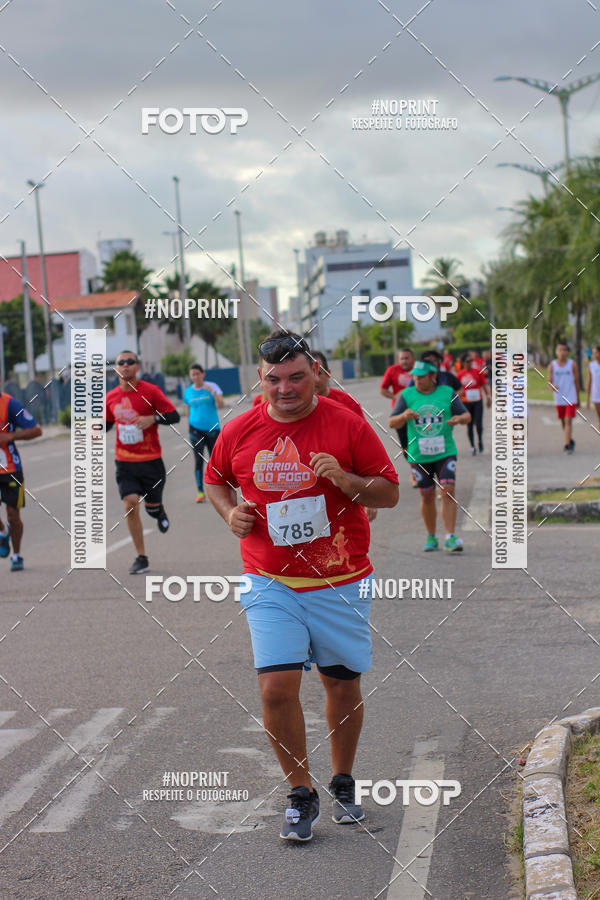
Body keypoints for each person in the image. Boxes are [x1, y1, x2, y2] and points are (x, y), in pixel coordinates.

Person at [205, 330, 399, 842]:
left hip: (340, 579)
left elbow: (389, 491)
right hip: (269, 580)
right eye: (274, 379)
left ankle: (342, 778)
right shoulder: (240, 429)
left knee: (341, 684)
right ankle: (300, 793)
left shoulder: (346, 424)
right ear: (260, 379)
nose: (285, 388)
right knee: (275, 689)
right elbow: (214, 478)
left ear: (315, 372)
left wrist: (346, 480)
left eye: (296, 377)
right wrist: (230, 513)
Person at [105, 351, 180, 575]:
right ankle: (141, 556)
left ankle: (159, 511)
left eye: (130, 362)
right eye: (121, 362)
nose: (125, 365)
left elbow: (174, 415)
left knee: (152, 509)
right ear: (116, 368)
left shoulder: (151, 392)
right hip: (125, 462)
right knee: (129, 502)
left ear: (138, 367)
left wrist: (153, 418)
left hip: (151, 462)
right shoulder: (111, 397)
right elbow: (107, 424)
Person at [389, 359, 470, 552]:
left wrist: (459, 418)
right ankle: (431, 536)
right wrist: (403, 417)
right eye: (415, 376)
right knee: (426, 495)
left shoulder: (447, 393)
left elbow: (466, 416)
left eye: (421, 376)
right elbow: (392, 422)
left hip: (445, 452)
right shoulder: (406, 395)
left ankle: (450, 536)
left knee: (448, 489)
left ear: (433, 376)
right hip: (419, 455)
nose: (416, 379)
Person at [313, 351, 377, 522]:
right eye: (309, 373)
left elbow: (364, 452)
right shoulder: (289, 408)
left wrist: (368, 496)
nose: (315, 379)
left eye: (319, 372)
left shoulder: (348, 404)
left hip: (344, 488)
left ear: (328, 374)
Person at [0, 392, 42, 571]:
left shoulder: (9, 403)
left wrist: (10, 437)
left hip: (10, 469)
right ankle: (3, 532)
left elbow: (36, 430)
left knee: (13, 515)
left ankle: (16, 555)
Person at [183, 364, 224, 502]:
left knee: (215, 460)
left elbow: (221, 404)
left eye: (197, 374)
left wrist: (212, 391)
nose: (195, 377)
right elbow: (188, 409)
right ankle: (200, 492)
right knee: (198, 461)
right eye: (193, 374)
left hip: (212, 430)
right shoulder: (188, 391)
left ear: (203, 374)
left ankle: (219, 489)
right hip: (195, 430)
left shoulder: (212, 386)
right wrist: (189, 425)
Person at [548, 341, 580, 453]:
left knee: (568, 421)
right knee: (563, 422)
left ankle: (567, 446)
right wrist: (553, 386)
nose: (562, 352)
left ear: (567, 352)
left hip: (571, 397)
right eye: (560, 350)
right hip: (559, 399)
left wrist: (578, 399)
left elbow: (576, 382)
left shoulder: (572, 364)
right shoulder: (553, 365)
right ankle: (569, 440)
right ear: (556, 352)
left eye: (564, 350)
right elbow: (549, 382)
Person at [458, 351, 491, 454]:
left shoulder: (478, 371)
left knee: (479, 423)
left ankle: (480, 441)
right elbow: (456, 391)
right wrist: (459, 394)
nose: (470, 363)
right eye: (468, 361)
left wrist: (488, 396)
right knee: (470, 424)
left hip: (477, 401)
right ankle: (472, 446)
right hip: (466, 402)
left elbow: (484, 385)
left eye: (471, 360)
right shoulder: (460, 375)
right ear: (463, 363)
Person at [586, 345, 600, 430]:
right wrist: (587, 399)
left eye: (596, 353)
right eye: (593, 353)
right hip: (595, 395)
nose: (594, 355)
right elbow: (589, 381)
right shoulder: (591, 365)